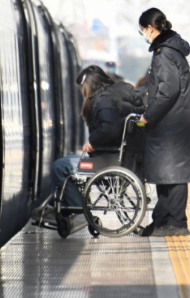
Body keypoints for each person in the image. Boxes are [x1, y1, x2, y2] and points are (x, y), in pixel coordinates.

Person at [47, 65, 145, 235]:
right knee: (67, 162)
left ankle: (78, 211)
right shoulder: (115, 95)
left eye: (82, 88)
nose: (81, 92)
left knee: (60, 166)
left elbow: (110, 129)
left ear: (89, 85)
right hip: (121, 158)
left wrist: (92, 141)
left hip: (106, 161)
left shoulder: (103, 101)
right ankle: (73, 207)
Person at [138, 8, 190, 237]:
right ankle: (163, 221)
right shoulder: (173, 50)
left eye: (142, 30)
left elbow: (167, 91)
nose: (143, 35)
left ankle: (175, 223)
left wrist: (148, 115)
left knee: (173, 175)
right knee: (168, 175)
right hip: (175, 121)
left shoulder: (164, 54)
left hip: (168, 124)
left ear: (150, 28)